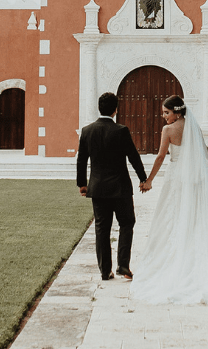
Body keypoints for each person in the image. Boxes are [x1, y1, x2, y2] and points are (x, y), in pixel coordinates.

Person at [130, 95, 208, 304]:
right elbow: (206, 150)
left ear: (177, 112)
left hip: (177, 178)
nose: (163, 117)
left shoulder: (168, 131)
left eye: (166, 113)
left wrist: (149, 180)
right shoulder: (193, 127)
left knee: (173, 215)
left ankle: (175, 259)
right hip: (195, 179)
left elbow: (161, 156)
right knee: (197, 215)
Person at [77, 91, 148, 281]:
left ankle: (104, 270)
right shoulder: (121, 131)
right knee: (127, 223)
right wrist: (143, 179)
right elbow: (134, 157)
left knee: (102, 228)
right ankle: (123, 265)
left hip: (98, 188)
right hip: (121, 188)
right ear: (116, 110)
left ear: (98, 109)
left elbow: (81, 160)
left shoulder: (86, 131)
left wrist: (82, 184)